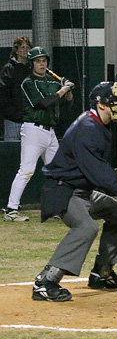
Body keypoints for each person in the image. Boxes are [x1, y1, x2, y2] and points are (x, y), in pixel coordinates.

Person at [31, 81, 117, 302]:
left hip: (83, 190)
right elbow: (100, 175)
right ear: (101, 105)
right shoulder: (88, 128)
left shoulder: (102, 124)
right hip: (63, 190)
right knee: (86, 227)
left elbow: (99, 175)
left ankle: (103, 272)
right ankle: (46, 281)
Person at [4, 47, 74, 222]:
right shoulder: (28, 82)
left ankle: (54, 210)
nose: (42, 64)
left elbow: (68, 103)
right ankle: (11, 210)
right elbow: (43, 103)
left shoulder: (52, 81)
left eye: (44, 61)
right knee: (26, 170)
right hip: (33, 130)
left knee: (58, 172)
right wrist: (63, 90)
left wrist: (69, 90)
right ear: (32, 64)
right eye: (37, 61)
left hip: (50, 132)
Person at [0, 36, 33, 141]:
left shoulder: (32, 69)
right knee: (12, 151)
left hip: (30, 122)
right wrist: (11, 113)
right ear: (17, 50)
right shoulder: (8, 69)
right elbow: (3, 93)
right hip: (12, 121)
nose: (25, 50)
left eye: (28, 47)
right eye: (23, 47)